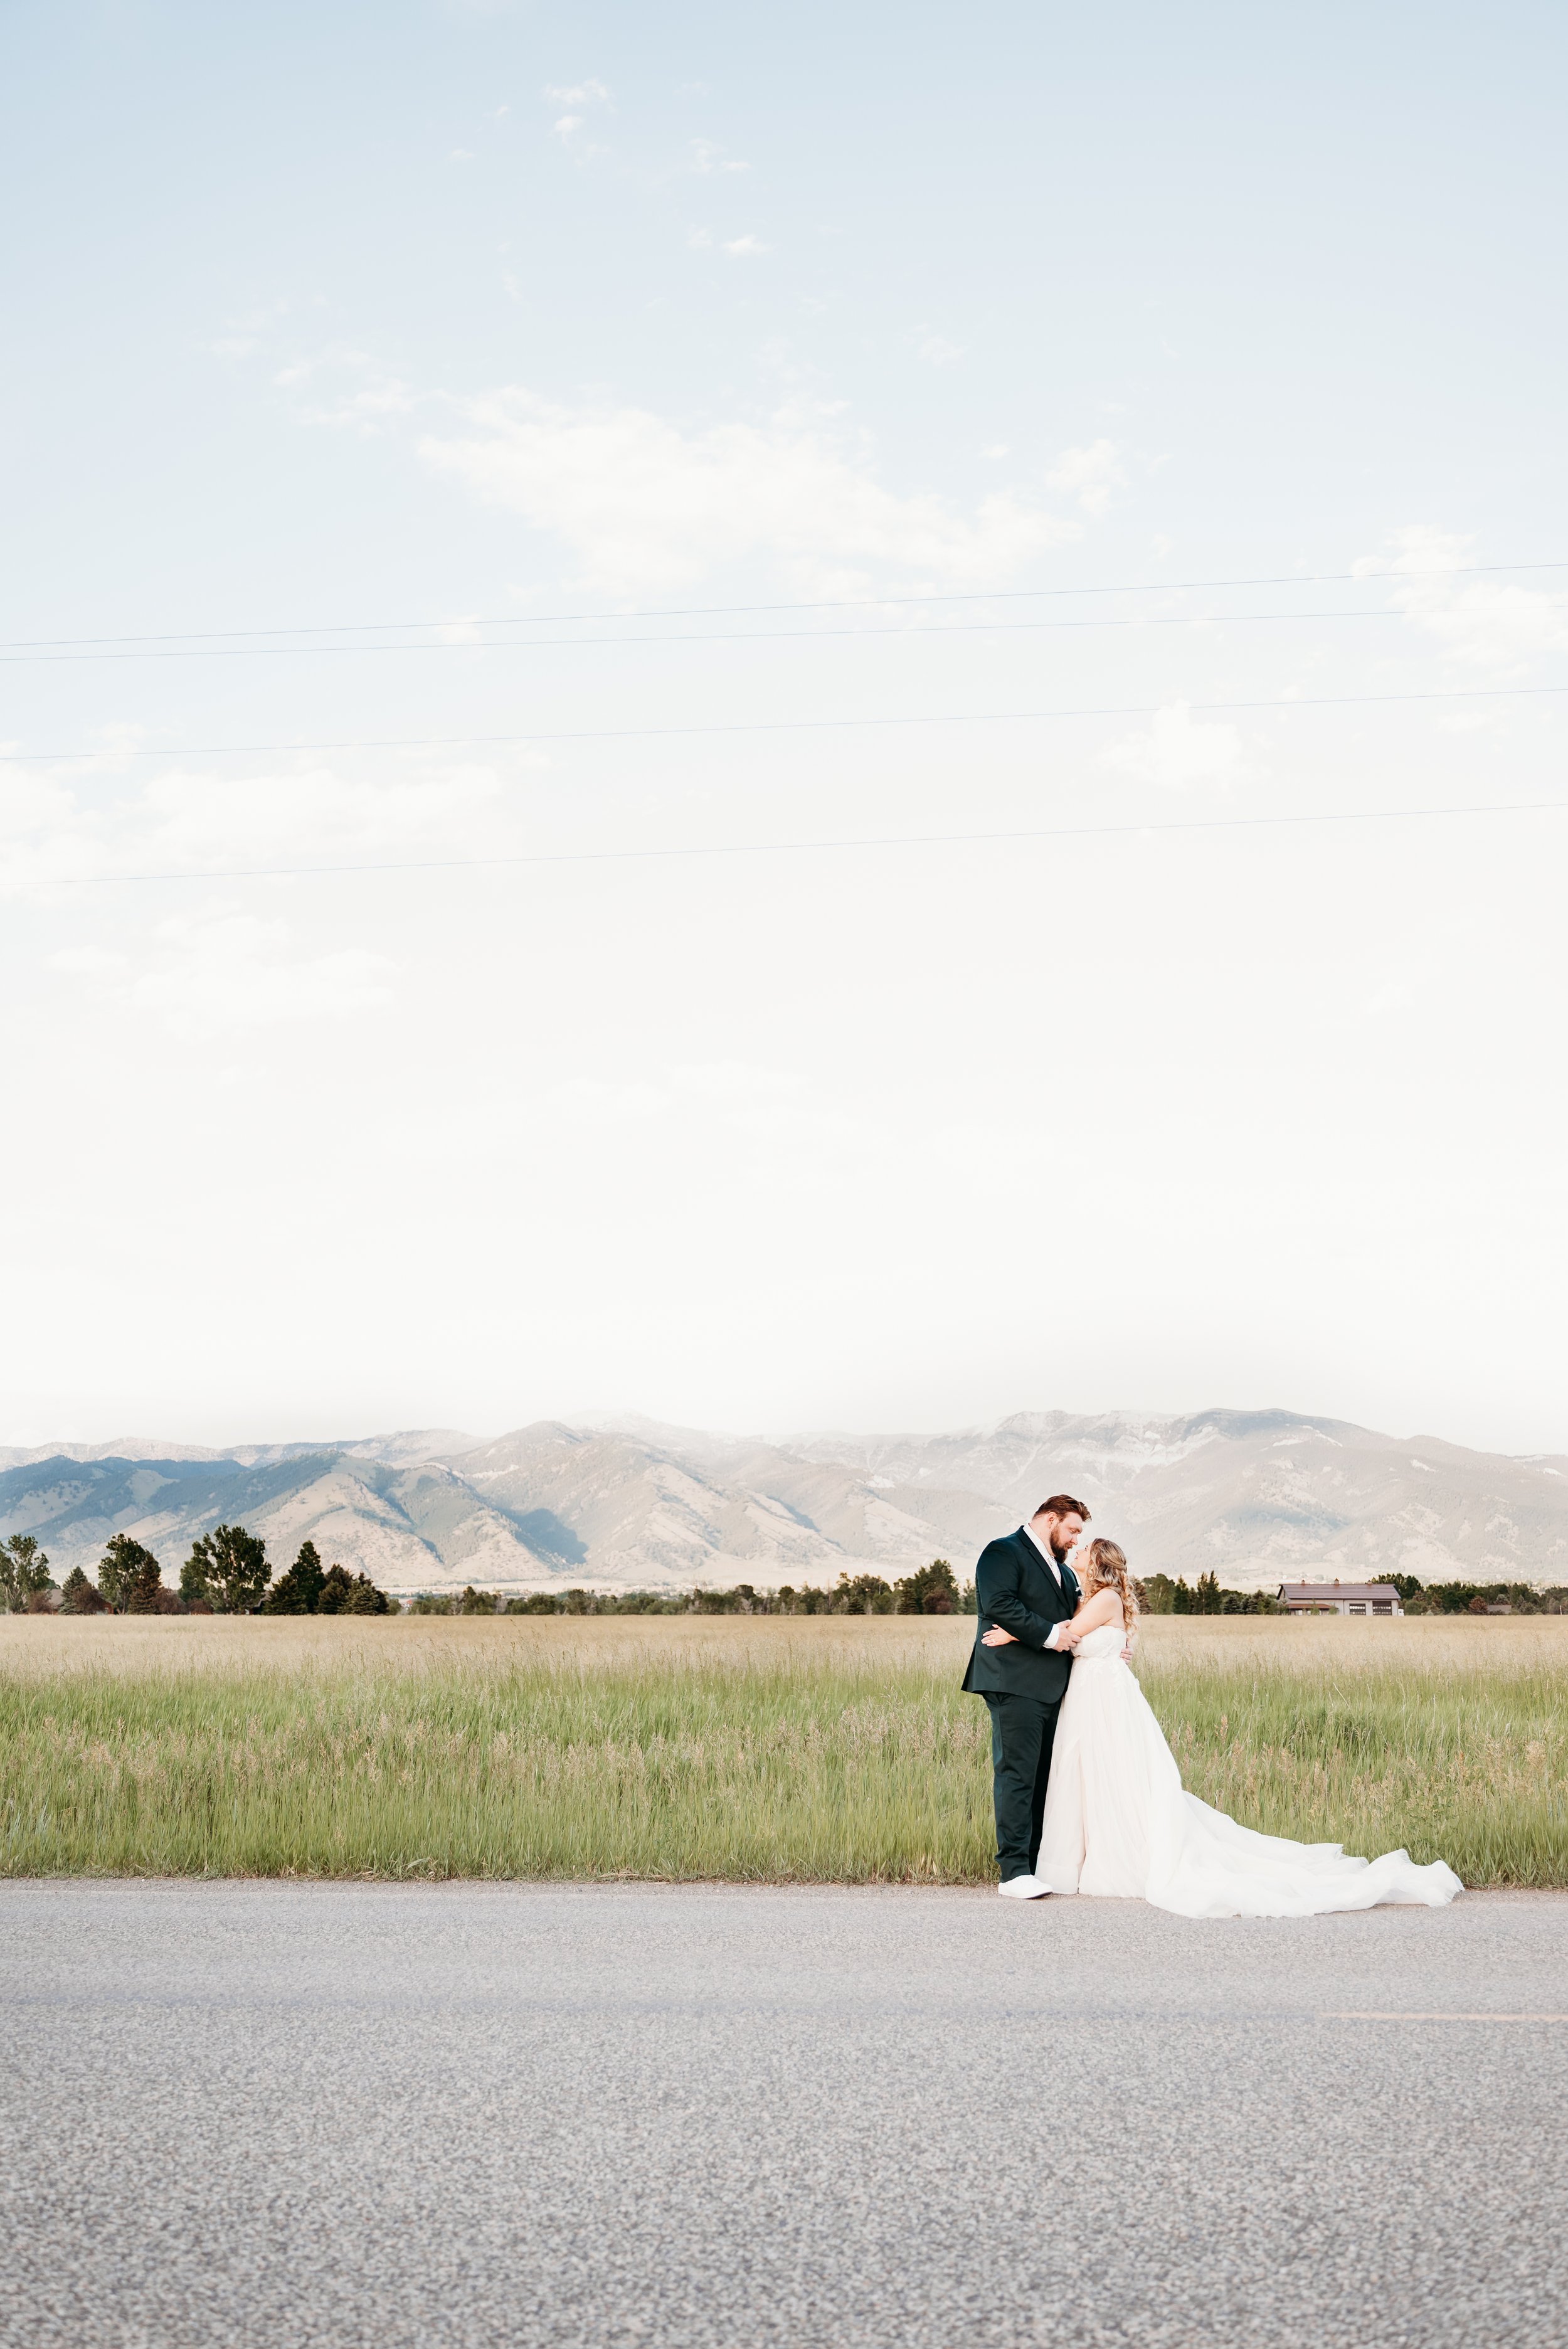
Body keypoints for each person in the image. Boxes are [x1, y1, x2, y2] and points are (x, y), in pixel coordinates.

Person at [1026, 1537, 1463, 1918]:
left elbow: (1067, 1635)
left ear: (1098, 1562)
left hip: (1105, 1700)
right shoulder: (1086, 1595)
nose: (1077, 1551)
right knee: (1095, 1777)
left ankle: (1122, 1855)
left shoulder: (1102, 1599)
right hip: (1090, 1697)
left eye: (1084, 1549)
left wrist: (1014, 1633)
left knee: (1116, 1777)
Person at [961, 1494, 1091, 1897]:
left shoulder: (1066, 1573)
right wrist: (1052, 1636)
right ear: (1050, 1519)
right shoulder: (1003, 1552)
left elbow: (1080, 1621)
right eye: (1072, 1530)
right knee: (1017, 1775)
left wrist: (1116, 1645)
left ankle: (1036, 1866)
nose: (1074, 1540)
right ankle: (1013, 1873)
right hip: (1012, 1681)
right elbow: (999, 1605)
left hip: (1056, 1688)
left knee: (1046, 1780)